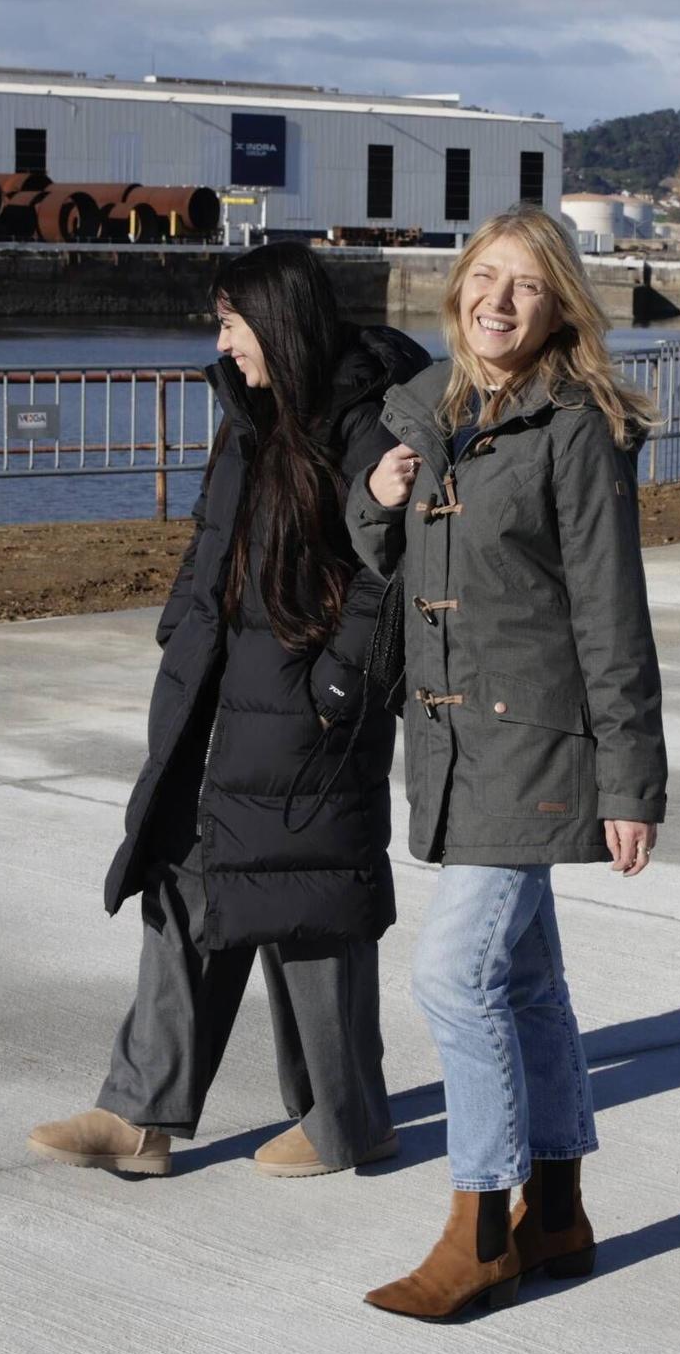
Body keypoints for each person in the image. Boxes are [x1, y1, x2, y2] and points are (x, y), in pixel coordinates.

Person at [28, 244, 429, 1180]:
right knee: (184, 878)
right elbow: (213, 540)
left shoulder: (364, 417)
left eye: (231, 323)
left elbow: (391, 567)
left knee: (308, 901)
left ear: (277, 323)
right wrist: (182, 630)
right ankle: (140, 1115)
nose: (221, 343)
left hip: (310, 706)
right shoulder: (252, 412)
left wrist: (340, 686)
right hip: (222, 692)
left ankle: (348, 1119)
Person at [347, 203, 667, 1321]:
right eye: (485, 276)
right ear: (457, 288)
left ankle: (481, 1226)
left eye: (526, 284)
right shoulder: (433, 407)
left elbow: (612, 615)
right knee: (527, 981)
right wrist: (375, 502)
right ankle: (561, 1210)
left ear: (558, 306)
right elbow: (395, 563)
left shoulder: (574, 428)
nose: (498, 300)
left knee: (454, 976)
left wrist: (630, 779)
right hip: (450, 741)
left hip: (533, 746)